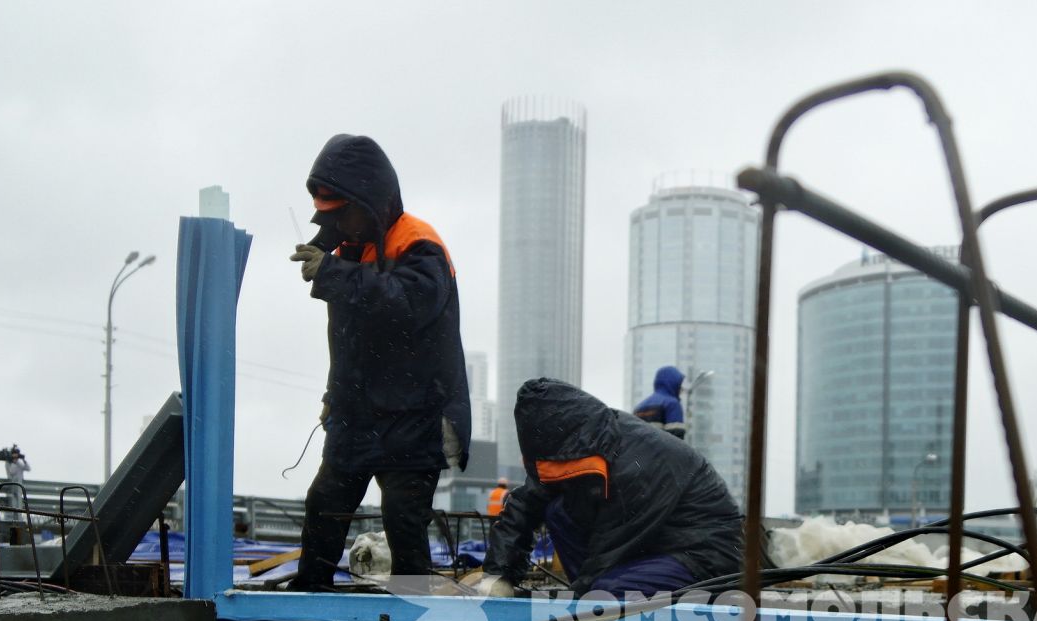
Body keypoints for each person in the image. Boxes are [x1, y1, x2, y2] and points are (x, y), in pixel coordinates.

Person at [286, 133, 470, 588]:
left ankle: (411, 618)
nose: (337, 224)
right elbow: (350, 341)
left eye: (340, 211)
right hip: (357, 414)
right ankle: (308, 597)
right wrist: (334, 396)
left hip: (415, 413)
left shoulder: (420, 244)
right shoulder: (350, 250)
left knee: (403, 518)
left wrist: (332, 272)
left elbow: (406, 304)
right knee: (325, 500)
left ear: (367, 203)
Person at [481, 379, 741, 597]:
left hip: (702, 552)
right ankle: (594, 599)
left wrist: (580, 598)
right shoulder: (571, 443)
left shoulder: (638, 464)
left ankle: (604, 617)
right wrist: (498, 573)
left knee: (608, 593)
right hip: (653, 544)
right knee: (557, 509)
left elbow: (612, 547)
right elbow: (526, 502)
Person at [632, 365, 689, 439]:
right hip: (662, 450)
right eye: (679, 385)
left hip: (639, 450)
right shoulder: (672, 404)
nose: (681, 389)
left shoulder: (639, 407)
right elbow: (676, 438)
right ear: (673, 383)